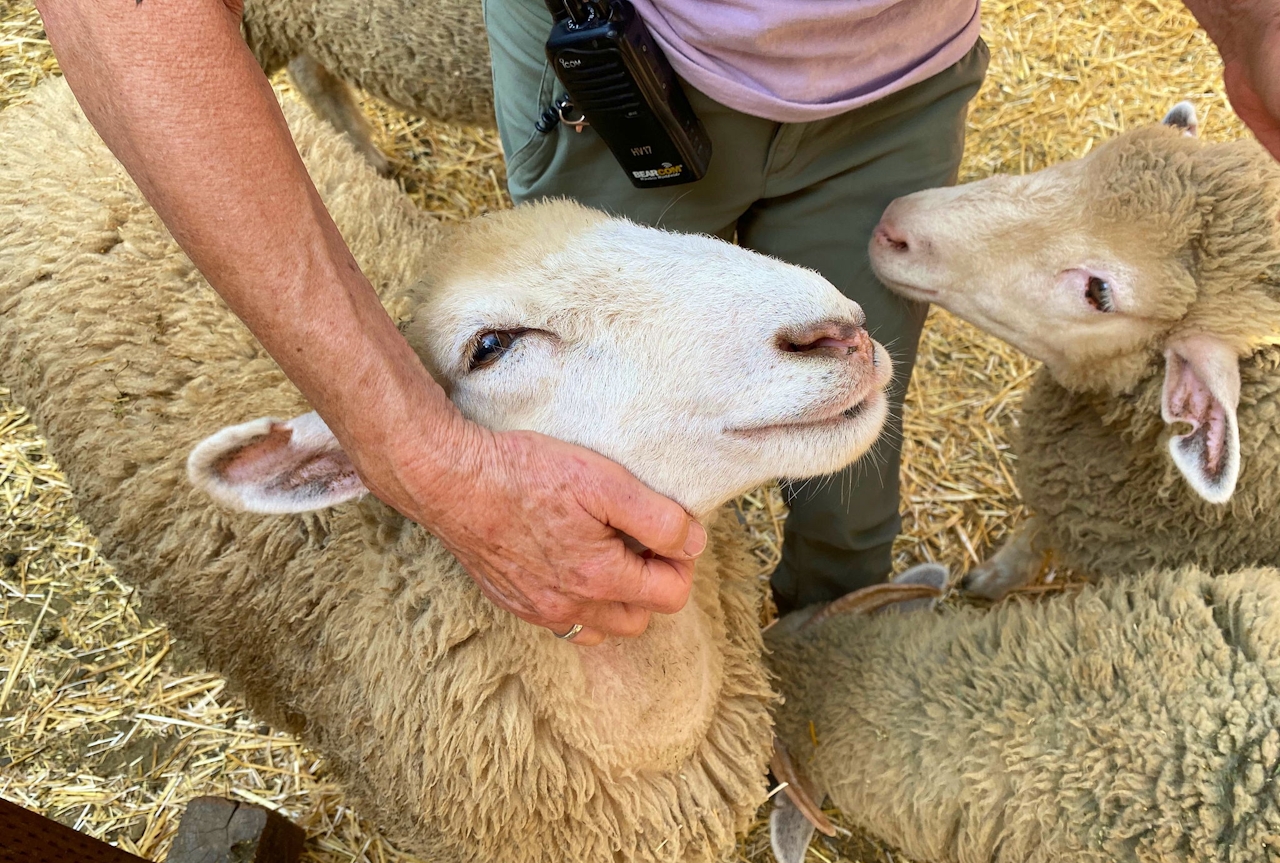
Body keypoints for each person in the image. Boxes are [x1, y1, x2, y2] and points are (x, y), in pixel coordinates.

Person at [35, 0, 1280, 640]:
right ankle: (655, 634)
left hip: (897, 72)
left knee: (849, 385)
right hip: (621, 53)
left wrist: (1253, 26)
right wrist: (411, 446)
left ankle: (825, 635)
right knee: (570, 396)